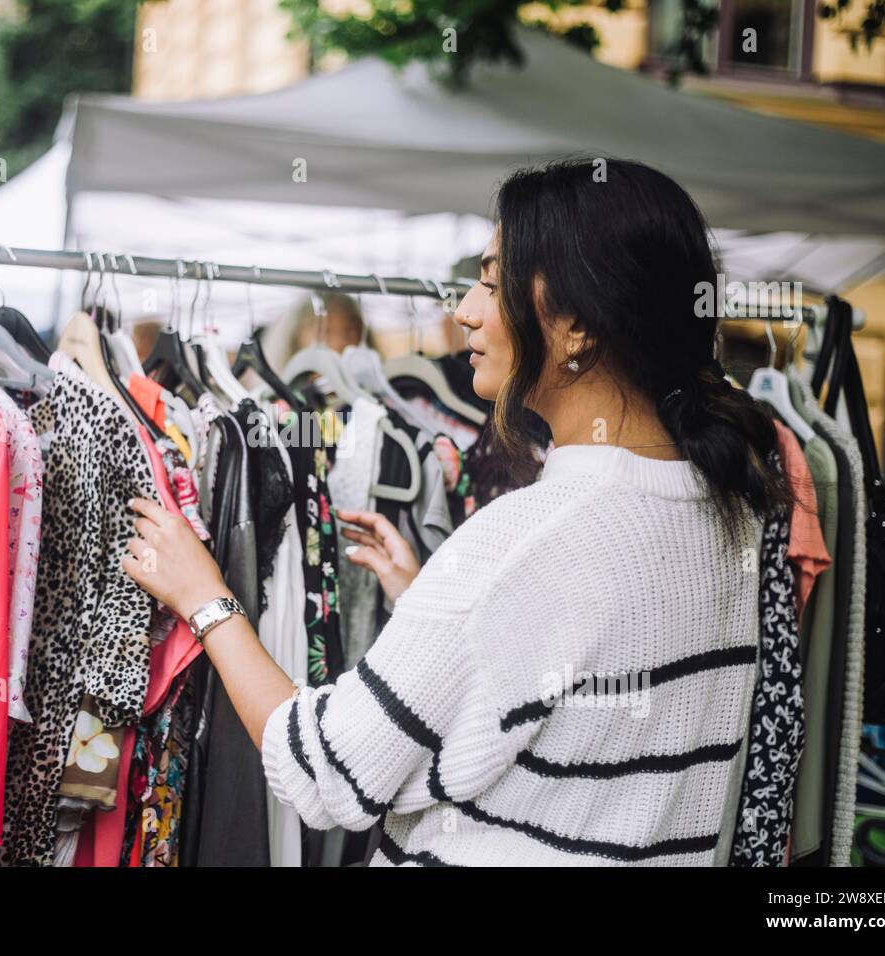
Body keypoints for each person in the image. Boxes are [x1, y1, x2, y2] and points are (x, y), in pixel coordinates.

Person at [121, 159, 790, 866]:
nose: (465, 310)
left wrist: (208, 601)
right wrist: (432, 606)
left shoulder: (526, 543)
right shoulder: (725, 511)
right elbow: (577, 709)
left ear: (578, 327)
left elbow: (323, 774)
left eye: (493, 283)